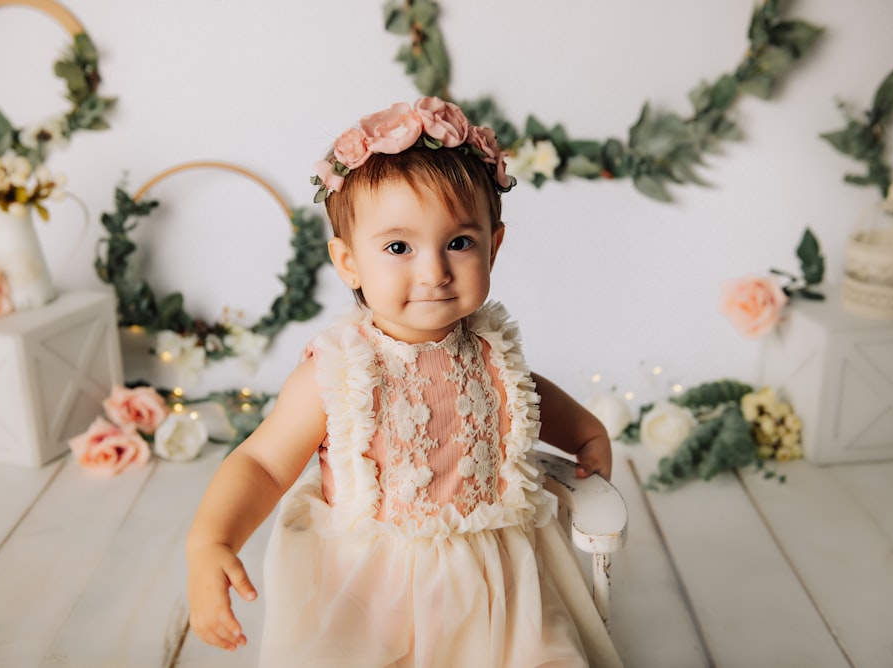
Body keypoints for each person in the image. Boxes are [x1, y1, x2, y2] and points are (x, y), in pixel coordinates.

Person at [186, 97, 623, 667]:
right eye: (399, 247)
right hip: (373, 594)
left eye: (459, 243)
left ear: (494, 245)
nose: (434, 271)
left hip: (496, 583)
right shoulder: (338, 372)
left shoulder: (493, 353)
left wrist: (591, 439)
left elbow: (538, 405)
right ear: (348, 263)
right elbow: (263, 465)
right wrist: (210, 542)